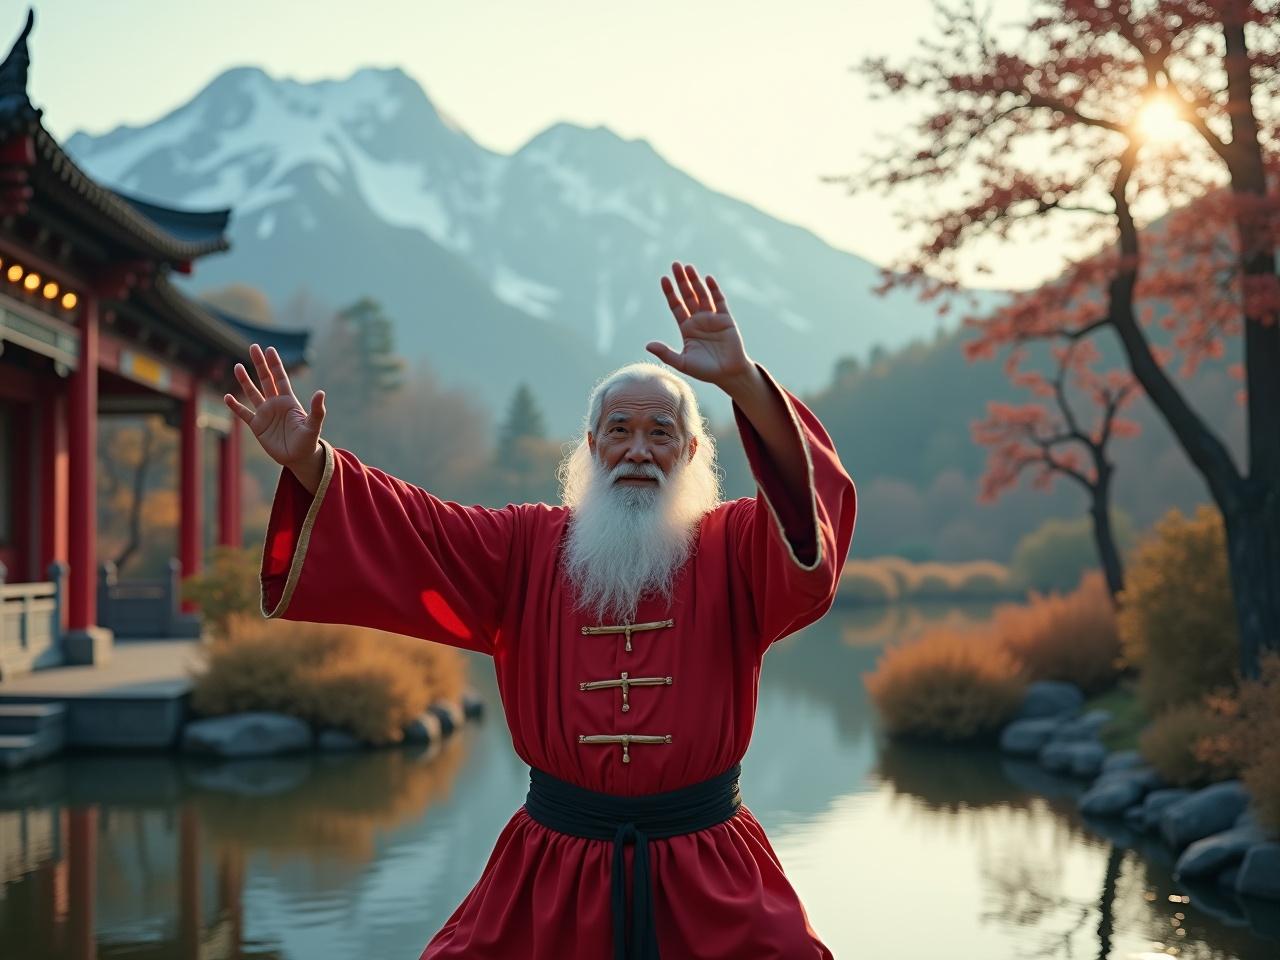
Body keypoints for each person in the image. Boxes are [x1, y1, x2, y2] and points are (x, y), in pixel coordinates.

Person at [225, 261, 857, 959]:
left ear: (692, 451)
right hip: (554, 871)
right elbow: (415, 531)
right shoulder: (527, 546)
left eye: (660, 433)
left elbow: (808, 516)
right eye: (619, 430)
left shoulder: (735, 546)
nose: (638, 450)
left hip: (707, 869)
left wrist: (743, 384)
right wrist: (313, 464)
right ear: (591, 447)